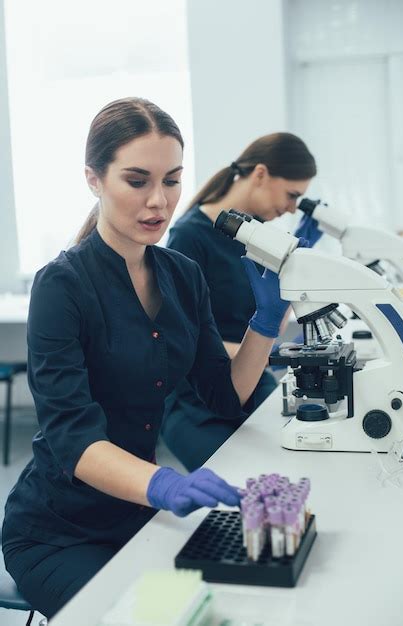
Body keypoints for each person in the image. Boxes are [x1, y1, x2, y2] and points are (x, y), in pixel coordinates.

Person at [1, 98, 291, 620]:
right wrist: (165, 482)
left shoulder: (182, 274)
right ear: (94, 179)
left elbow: (224, 395)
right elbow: (73, 439)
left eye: (173, 180)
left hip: (138, 514)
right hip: (59, 531)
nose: (159, 201)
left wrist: (264, 323)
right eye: (137, 181)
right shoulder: (62, 286)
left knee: (217, 610)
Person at [162, 132, 321, 470]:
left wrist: (294, 278)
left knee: (301, 459)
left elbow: (271, 324)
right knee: (246, 480)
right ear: (260, 174)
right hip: (195, 400)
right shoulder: (188, 237)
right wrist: (272, 353)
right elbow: (180, 345)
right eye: (292, 195)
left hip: (250, 378)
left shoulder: (261, 235)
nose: (293, 207)